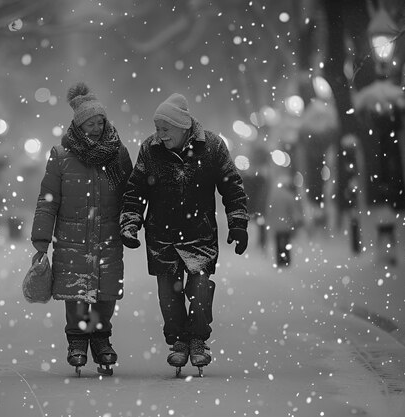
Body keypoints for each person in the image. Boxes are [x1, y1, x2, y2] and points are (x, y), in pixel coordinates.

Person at [119, 93, 249, 376]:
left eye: (165, 129)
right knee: (169, 296)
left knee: (200, 289)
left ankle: (198, 340)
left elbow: (232, 186)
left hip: (199, 234)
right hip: (161, 238)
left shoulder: (211, 147)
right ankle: (178, 341)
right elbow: (135, 191)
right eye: (157, 129)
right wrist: (130, 222)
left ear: (182, 127)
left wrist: (237, 222)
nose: (160, 135)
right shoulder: (150, 150)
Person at [31, 82, 133, 376]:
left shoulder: (117, 154)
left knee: (106, 293)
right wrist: (41, 239)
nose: (98, 127)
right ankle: (77, 340)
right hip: (72, 238)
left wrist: (131, 222)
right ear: (78, 125)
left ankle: (101, 339)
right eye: (91, 122)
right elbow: (48, 200)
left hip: (108, 236)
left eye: (101, 121)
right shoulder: (61, 156)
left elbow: (130, 194)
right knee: (76, 293)